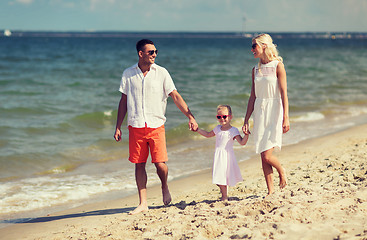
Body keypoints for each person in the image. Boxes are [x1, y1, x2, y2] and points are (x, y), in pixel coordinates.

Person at [114, 39, 198, 215]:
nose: (154, 55)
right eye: (151, 52)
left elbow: (175, 96)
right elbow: (123, 102)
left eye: (155, 52)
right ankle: (143, 203)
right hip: (136, 125)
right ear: (141, 54)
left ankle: (164, 185)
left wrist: (190, 116)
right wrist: (118, 126)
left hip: (156, 124)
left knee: (160, 164)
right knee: (139, 164)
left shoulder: (162, 73)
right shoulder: (128, 74)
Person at [242, 33, 290, 197]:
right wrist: (246, 119)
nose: (252, 49)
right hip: (260, 111)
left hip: (274, 110)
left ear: (264, 46)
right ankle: (270, 191)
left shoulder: (278, 66)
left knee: (267, 155)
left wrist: (286, 117)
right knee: (263, 154)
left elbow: (284, 93)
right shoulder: (255, 69)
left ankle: (281, 169)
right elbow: (252, 96)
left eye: (254, 46)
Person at [195, 105, 248, 201]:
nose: (222, 119)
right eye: (219, 117)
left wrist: (246, 135)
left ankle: (224, 197)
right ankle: (224, 194)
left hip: (227, 156)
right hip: (218, 155)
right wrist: (197, 129)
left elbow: (242, 142)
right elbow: (207, 134)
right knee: (217, 177)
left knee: (221, 177)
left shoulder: (233, 130)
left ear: (230, 117)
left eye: (224, 116)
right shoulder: (217, 128)